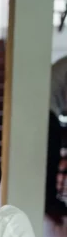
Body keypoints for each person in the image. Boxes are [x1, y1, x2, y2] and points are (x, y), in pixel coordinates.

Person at [48, 56, 67, 216]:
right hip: (48, 110)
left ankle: (50, 200)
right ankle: (50, 202)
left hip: (50, 110)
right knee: (52, 159)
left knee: (52, 159)